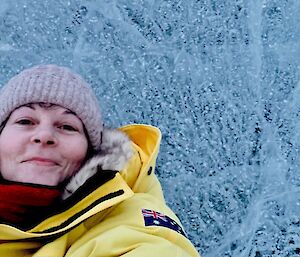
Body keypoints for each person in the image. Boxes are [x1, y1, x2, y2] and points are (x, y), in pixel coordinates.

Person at [0, 64, 200, 257]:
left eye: (67, 127)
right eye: (25, 121)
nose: (44, 135)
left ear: (91, 152)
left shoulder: (128, 221)